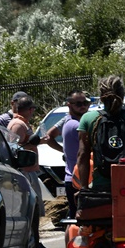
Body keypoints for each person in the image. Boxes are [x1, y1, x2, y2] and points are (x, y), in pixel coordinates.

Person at [77, 76, 125, 193]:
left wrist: (84, 187)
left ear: (101, 97)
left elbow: (82, 154)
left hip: (101, 186)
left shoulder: (88, 119)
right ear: (123, 95)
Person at [7, 95, 53, 248]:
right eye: (32, 109)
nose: (33, 112)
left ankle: (34, 241)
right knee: (32, 207)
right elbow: (13, 147)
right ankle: (32, 242)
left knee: (34, 207)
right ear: (29, 109)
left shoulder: (21, 123)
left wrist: (39, 141)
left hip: (29, 170)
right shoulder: (18, 124)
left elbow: (26, 141)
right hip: (25, 171)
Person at [45, 90, 90, 219]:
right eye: (78, 103)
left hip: (73, 178)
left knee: (73, 218)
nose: (83, 106)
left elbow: (50, 136)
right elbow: (49, 137)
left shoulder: (67, 121)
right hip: (78, 179)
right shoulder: (76, 125)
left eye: (85, 103)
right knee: (78, 220)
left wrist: (64, 150)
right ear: (69, 105)